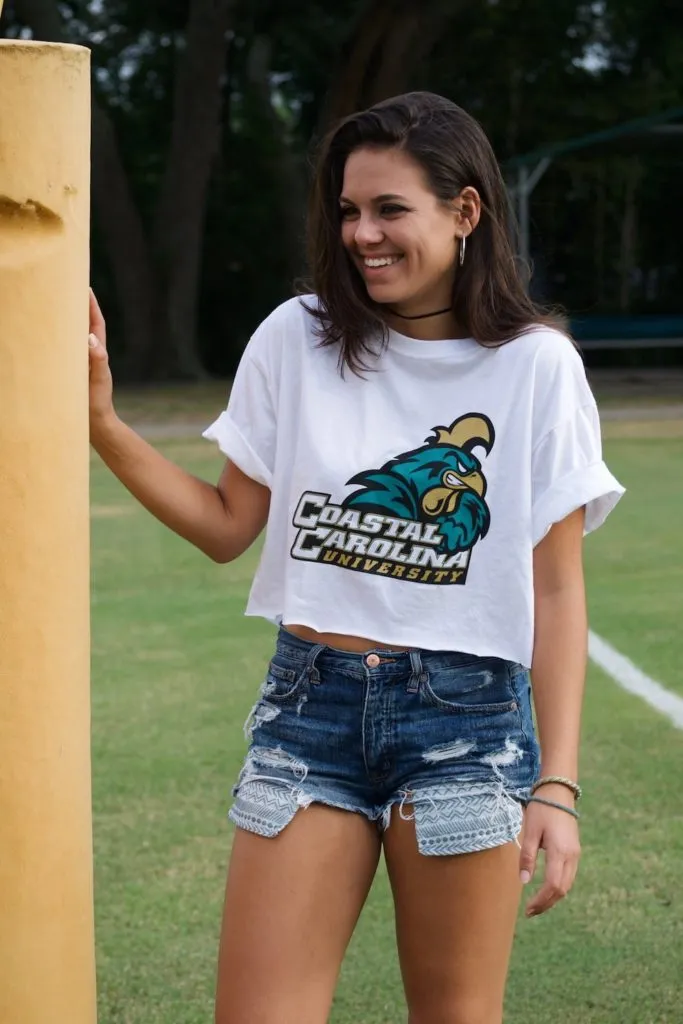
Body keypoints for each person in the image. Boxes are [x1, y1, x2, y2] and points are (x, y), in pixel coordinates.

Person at [88, 91, 624, 1024]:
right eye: (347, 210)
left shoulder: (536, 365)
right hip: (310, 712)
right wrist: (100, 425)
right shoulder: (295, 338)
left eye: (388, 210)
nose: (361, 235)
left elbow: (555, 586)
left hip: (465, 726)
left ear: (465, 213)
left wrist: (558, 787)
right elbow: (225, 526)